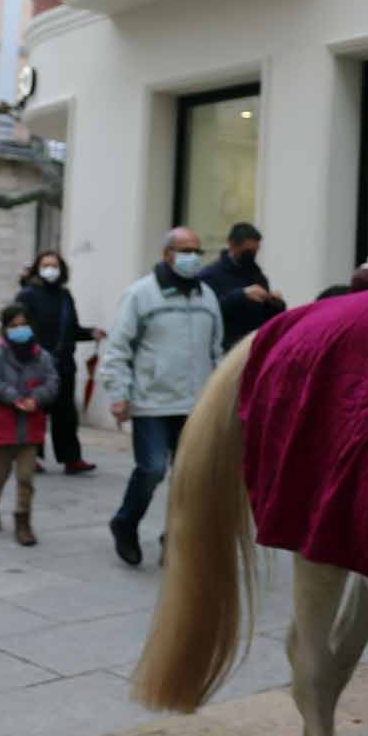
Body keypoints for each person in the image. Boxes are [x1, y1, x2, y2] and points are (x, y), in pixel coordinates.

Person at [100, 227, 223, 566]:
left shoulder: (207, 297)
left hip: (194, 404)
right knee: (152, 469)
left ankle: (175, 538)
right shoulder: (141, 294)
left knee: (189, 476)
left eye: (197, 250)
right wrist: (118, 393)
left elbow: (215, 352)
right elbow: (118, 348)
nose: (193, 257)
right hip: (151, 401)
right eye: (185, 250)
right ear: (167, 254)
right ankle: (125, 523)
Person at [0, 304, 58, 547]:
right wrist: (12, 396)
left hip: (30, 430)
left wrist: (37, 398)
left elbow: (53, 382)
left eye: (24, 325)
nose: (20, 330)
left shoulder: (41, 356)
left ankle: (23, 522)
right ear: (5, 329)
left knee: (26, 478)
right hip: (1, 428)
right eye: (14, 326)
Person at [18, 251, 104, 474]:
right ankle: (30, 456)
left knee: (66, 413)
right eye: (45, 265)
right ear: (37, 268)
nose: (50, 269)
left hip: (64, 363)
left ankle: (71, 458)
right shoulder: (27, 295)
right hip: (36, 363)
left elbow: (71, 329)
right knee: (35, 412)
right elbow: (16, 327)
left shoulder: (65, 296)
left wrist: (90, 332)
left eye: (54, 265)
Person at [198, 222, 286, 350]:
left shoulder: (257, 274)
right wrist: (241, 295)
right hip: (225, 348)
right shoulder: (210, 275)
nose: (251, 257)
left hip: (253, 346)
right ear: (232, 245)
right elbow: (207, 311)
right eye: (247, 252)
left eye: (255, 252)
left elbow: (267, 317)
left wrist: (275, 303)